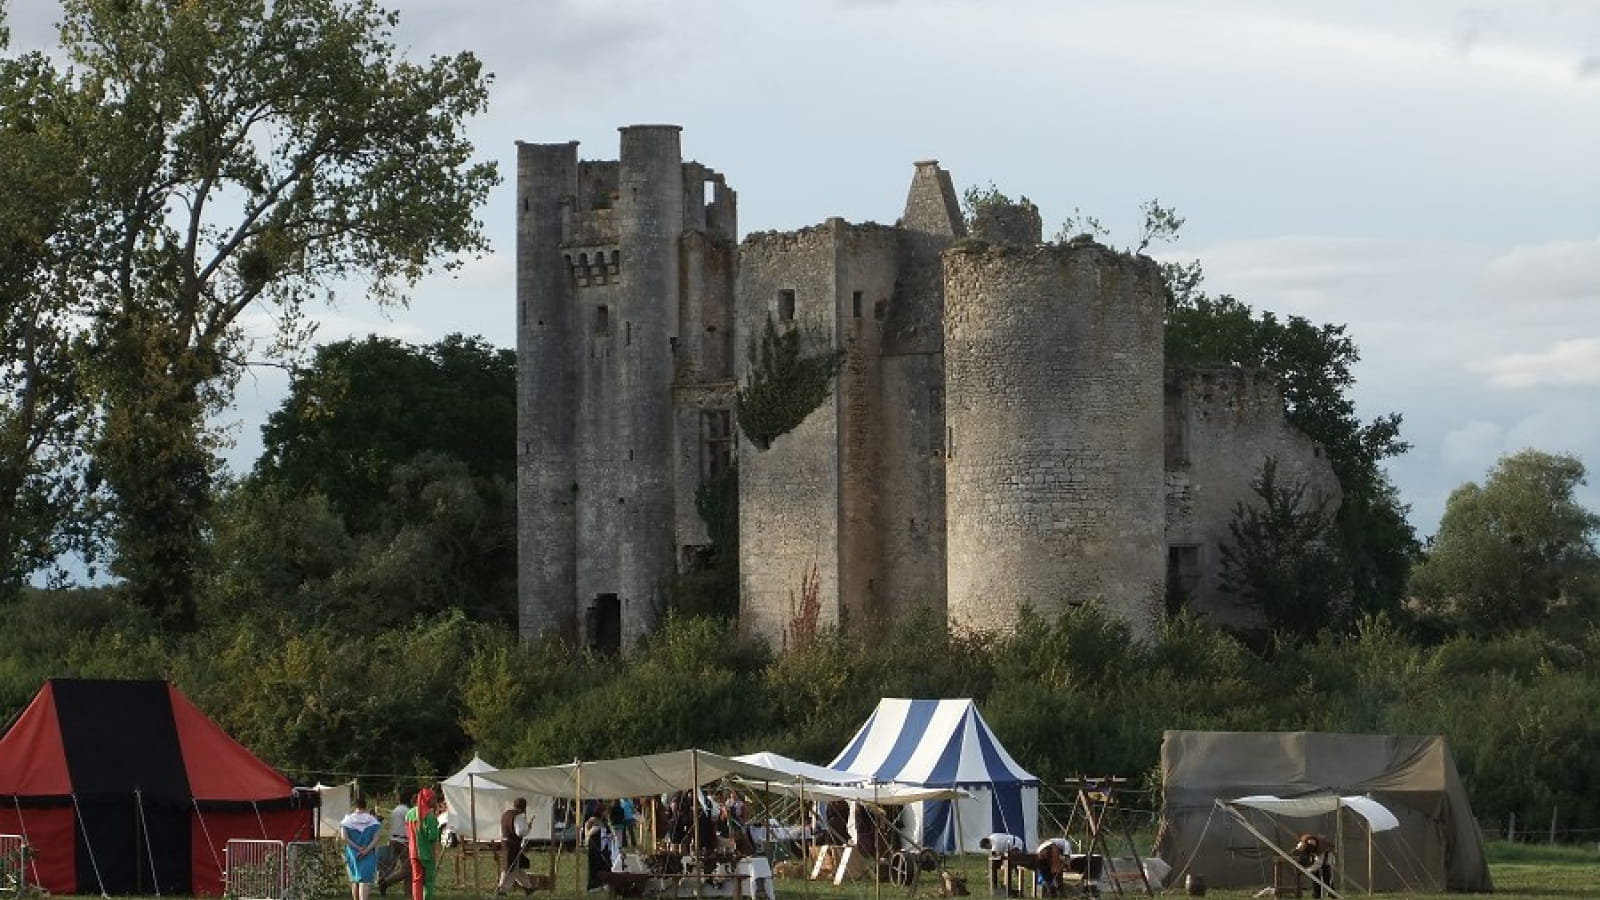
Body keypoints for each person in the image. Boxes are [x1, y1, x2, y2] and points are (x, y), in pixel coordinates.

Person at [342, 796, 384, 900]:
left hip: (352, 853)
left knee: (354, 880)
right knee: (364, 881)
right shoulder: (373, 821)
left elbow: (344, 838)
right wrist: (366, 850)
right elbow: (376, 838)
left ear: (355, 807)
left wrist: (357, 847)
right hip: (368, 853)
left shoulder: (347, 820)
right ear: (365, 807)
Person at [406, 787, 443, 900]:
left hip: (413, 852)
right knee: (429, 882)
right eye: (433, 799)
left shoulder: (409, 813)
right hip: (427, 853)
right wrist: (434, 854)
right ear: (428, 799)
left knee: (416, 880)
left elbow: (407, 832)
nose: (435, 801)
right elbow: (433, 837)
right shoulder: (429, 816)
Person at [497, 797, 538, 896]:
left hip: (505, 843)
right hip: (512, 844)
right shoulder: (518, 816)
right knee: (510, 868)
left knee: (516, 867)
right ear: (523, 807)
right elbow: (520, 832)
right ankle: (502, 890)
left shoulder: (506, 814)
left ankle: (528, 887)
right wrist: (528, 827)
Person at [377, 791, 413, 896]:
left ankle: (408, 892)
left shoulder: (395, 810)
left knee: (395, 867)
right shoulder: (407, 811)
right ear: (408, 800)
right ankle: (386, 883)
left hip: (394, 840)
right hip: (404, 842)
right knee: (408, 869)